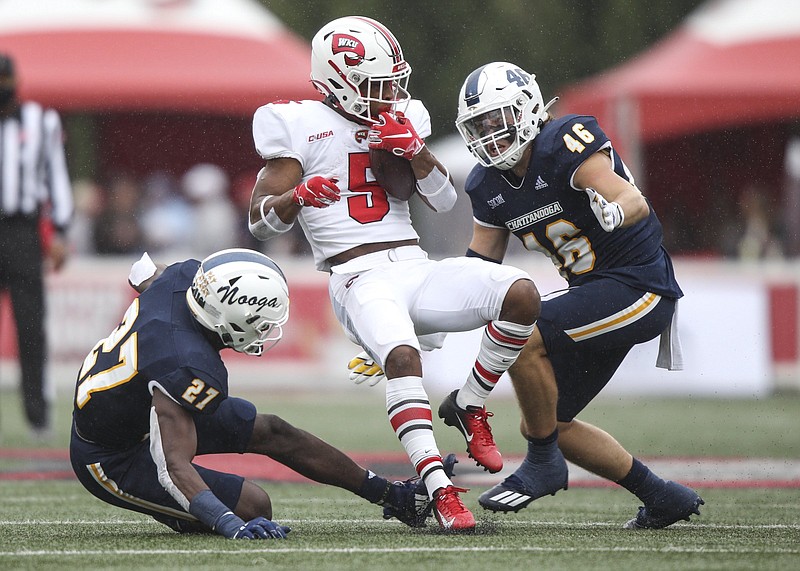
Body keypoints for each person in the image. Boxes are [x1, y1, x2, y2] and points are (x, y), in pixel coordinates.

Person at [247, 17, 540, 531]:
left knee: (520, 294)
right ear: (336, 80)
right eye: (376, 84)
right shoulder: (295, 123)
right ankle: (440, 488)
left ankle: (470, 404)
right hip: (356, 275)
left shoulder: (403, 114)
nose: (389, 95)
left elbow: (446, 199)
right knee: (403, 358)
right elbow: (259, 221)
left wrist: (416, 150)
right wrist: (296, 198)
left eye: (392, 83)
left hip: (413, 262)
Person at [452, 62, 704, 529]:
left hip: (638, 283)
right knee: (546, 422)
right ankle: (662, 497)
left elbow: (631, 199)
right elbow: (475, 277)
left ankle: (543, 464)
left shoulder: (564, 141)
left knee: (523, 335)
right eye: (479, 126)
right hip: (593, 291)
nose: (491, 135)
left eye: (498, 120)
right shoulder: (486, 184)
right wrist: (414, 328)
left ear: (527, 108)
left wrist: (614, 211)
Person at [70, 248, 452, 539]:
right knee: (254, 507)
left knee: (272, 430)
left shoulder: (185, 278)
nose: (265, 331)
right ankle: (175, 513)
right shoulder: (184, 362)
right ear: (226, 317)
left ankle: (395, 497)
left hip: (141, 398)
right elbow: (173, 465)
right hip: (111, 454)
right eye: (258, 322)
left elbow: (148, 276)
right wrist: (228, 524)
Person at [0, 52, 73, 439]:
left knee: (30, 324)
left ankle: (38, 414)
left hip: (21, 231)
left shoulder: (40, 120)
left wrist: (60, 230)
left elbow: (56, 175)